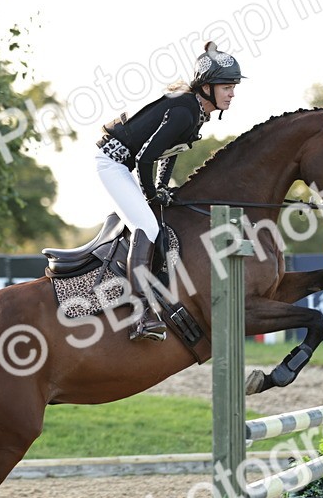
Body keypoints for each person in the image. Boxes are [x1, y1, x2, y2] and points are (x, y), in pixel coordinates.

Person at [95, 41, 245, 341]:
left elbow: (168, 153)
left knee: (160, 221)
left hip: (126, 166)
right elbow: (144, 158)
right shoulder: (185, 111)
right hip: (113, 165)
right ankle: (141, 317)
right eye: (226, 86)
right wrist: (152, 195)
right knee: (147, 227)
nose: (231, 93)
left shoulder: (195, 112)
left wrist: (163, 187)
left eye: (233, 87)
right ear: (206, 87)